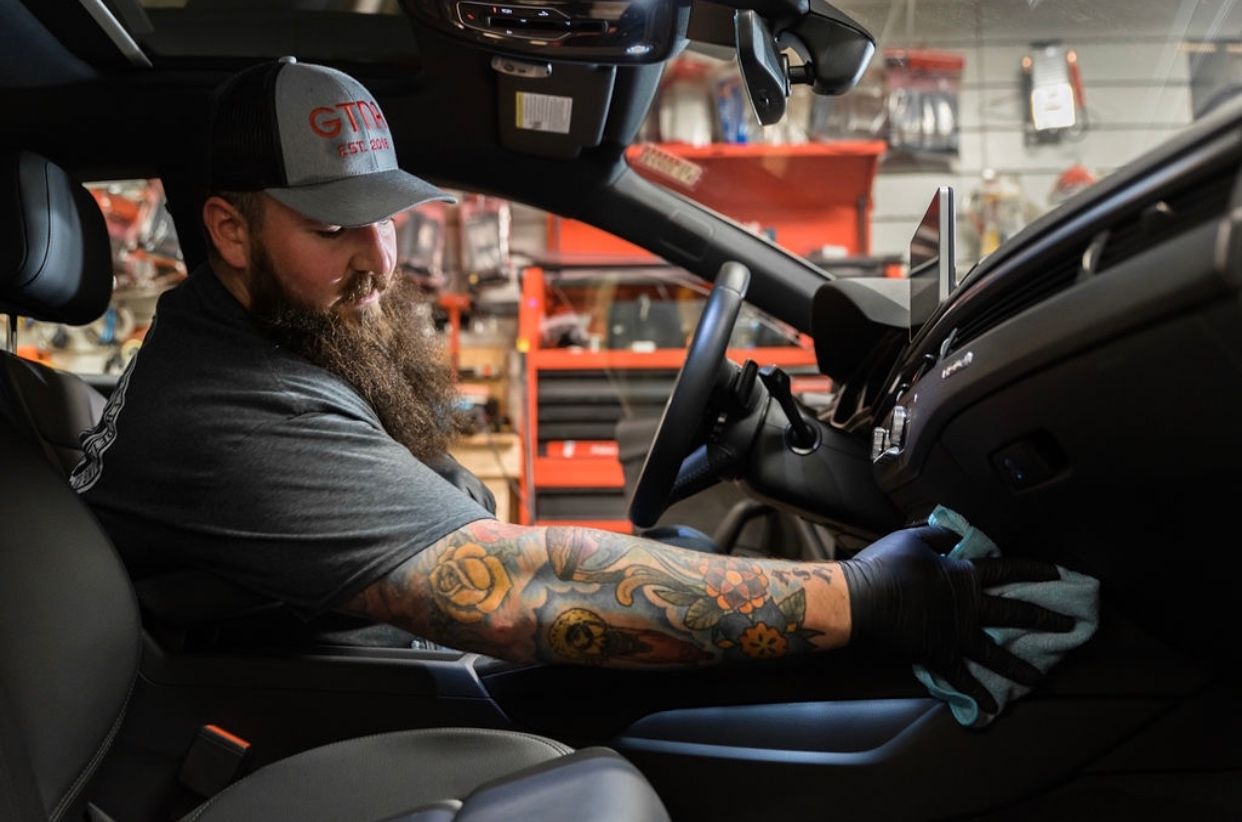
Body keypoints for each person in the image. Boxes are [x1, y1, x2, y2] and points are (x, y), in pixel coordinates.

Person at [71, 57, 1072, 714]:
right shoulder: (217, 410)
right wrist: (867, 599)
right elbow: (522, 585)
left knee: (694, 563)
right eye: (333, 229)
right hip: (362, 702)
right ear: (232, 233)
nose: (378, 259)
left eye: (379, 216)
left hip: (383, 669)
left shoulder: (262, 343)